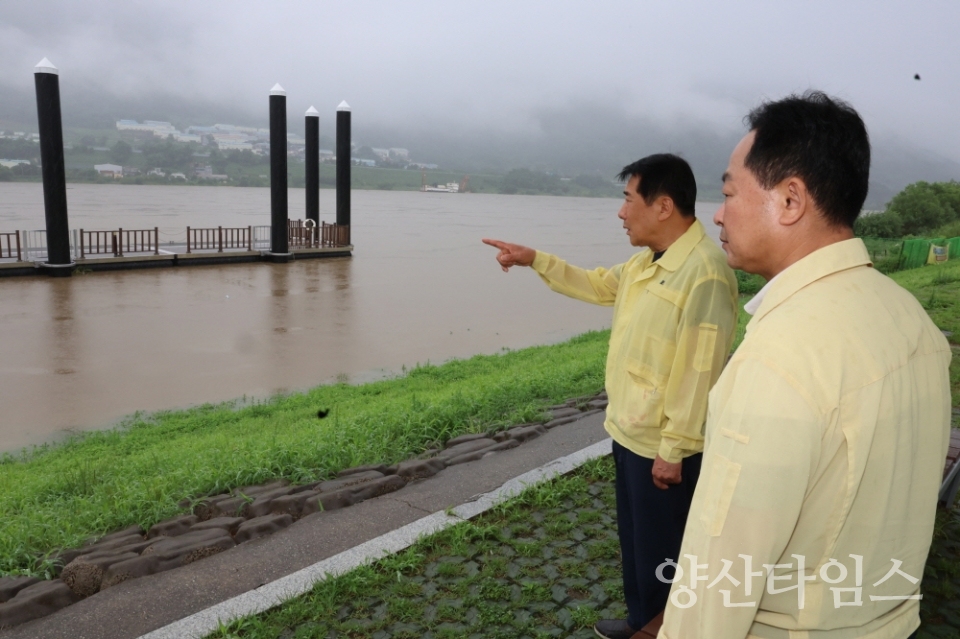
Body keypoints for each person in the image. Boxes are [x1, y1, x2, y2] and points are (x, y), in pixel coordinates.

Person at [658, 92, 952, 639]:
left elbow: (721, 576)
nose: (718, 214)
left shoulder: (782, 357)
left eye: (729, 192)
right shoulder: (908, 317)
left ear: (791, 200)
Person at [483, 154, 738, 639]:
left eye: (628, 200)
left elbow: (699, 372)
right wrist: (536, 259)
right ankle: (642, 621)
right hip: (629, 430)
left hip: (665, 448)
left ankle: (668, 630)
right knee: (638, 544)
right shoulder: (649, 262)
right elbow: (599, 284)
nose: (621, 213)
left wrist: (674, 449)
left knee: (665, 551)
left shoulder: (703, 272)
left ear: (662, 206)